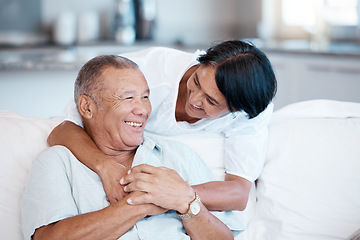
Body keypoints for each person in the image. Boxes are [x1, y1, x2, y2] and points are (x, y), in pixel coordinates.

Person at [21, 55, 242, 240]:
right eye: (128, 98)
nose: (143, 109)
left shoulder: (179, 155)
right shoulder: (56, 162)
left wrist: (187, 202)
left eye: (145, 97)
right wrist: (144, 202)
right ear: (87, 107)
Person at [47, 39, 277, 211]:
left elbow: (238, 193)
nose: (194, 100)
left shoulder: (251, 112)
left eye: (211, 101)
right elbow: (65, 128)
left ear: (236, 110)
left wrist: (172, 194)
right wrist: (106, 168)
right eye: (196, 81)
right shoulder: (149, 73)